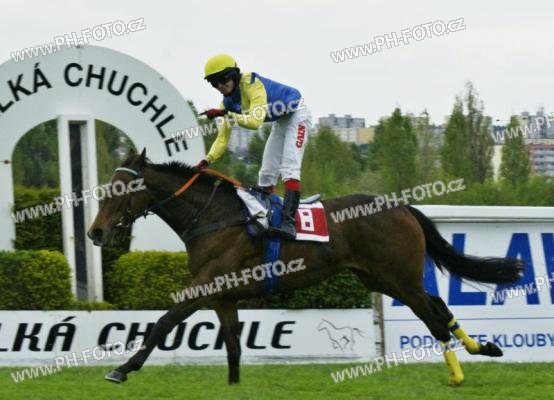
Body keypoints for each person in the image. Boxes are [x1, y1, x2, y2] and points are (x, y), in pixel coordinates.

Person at [195, 54, 311, 240]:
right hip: (281, 121)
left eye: (223, 79)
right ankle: (267, 217)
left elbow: (255, 122)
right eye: (214, 83)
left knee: (289, 168)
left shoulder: (251, 84)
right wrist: (206, 160)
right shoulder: (227, 103)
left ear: (234, 75)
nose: (220, 86)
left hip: (298, 115)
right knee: (266, 174)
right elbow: (222, 139)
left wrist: (226, 114)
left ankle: (289, 224)